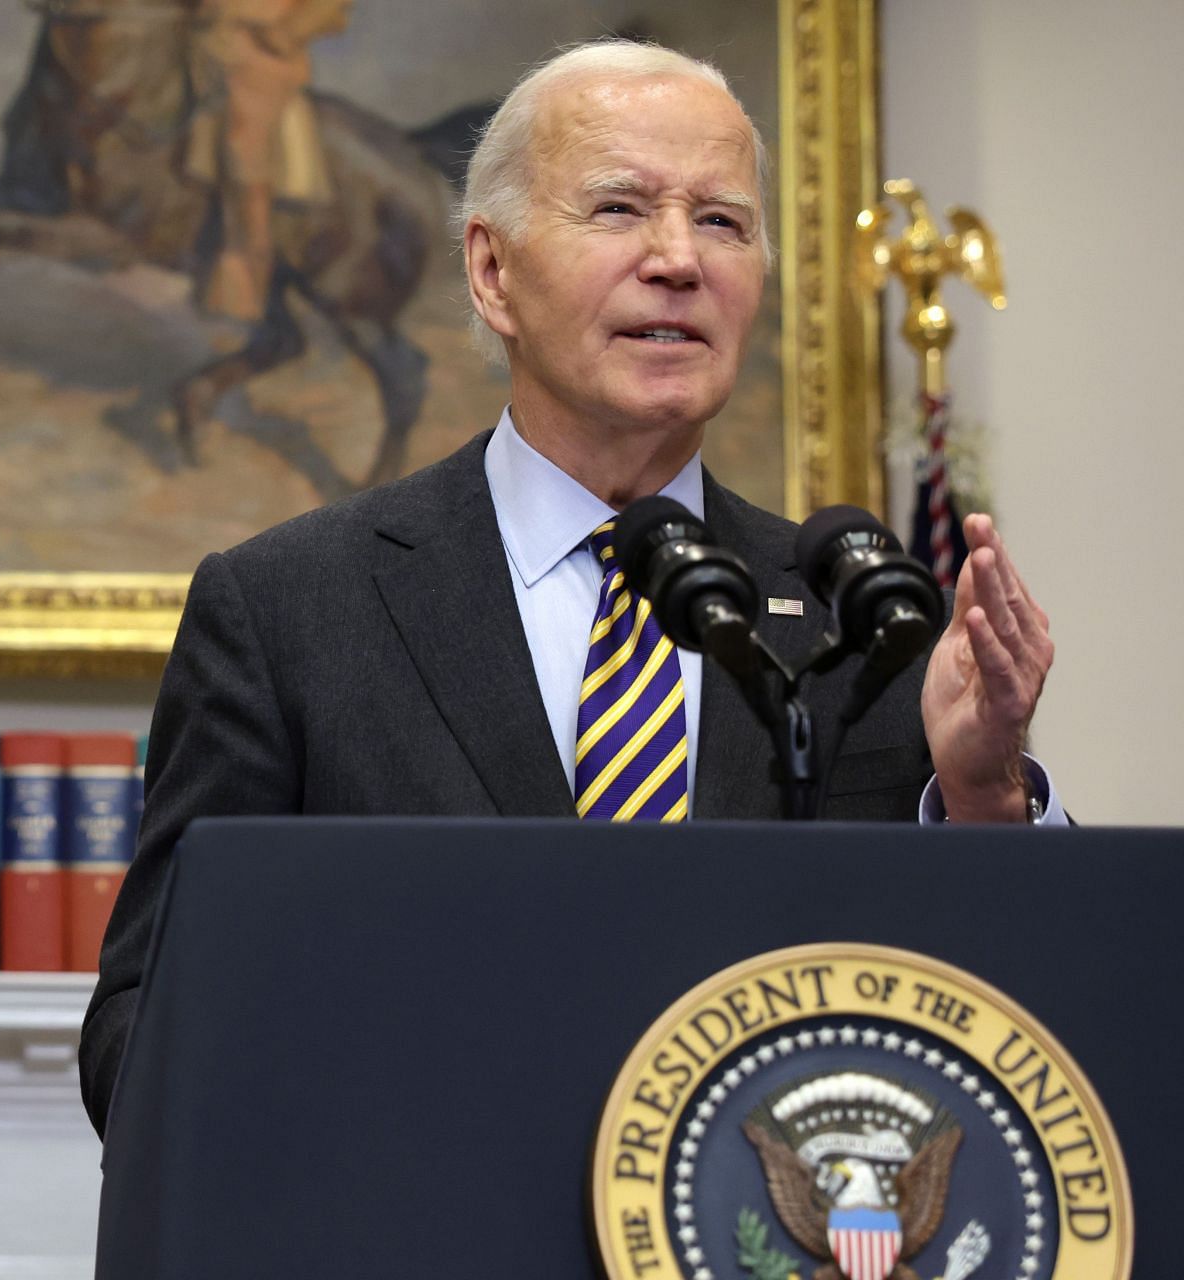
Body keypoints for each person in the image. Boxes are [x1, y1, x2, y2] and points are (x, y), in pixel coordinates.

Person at [80, 40, 1060, 1136]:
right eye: (620, 209)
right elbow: (141, 1032)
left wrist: (984, 796)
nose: (679, 259)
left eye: (723, 220)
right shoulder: (290, 609)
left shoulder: (864, 612)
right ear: (493, 272)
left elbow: (1003, 1029)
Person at [186, 0, 354, 321]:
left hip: (259, 63)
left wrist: (280, 33)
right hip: (203, 48)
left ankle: (243, 290)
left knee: (245, 167)